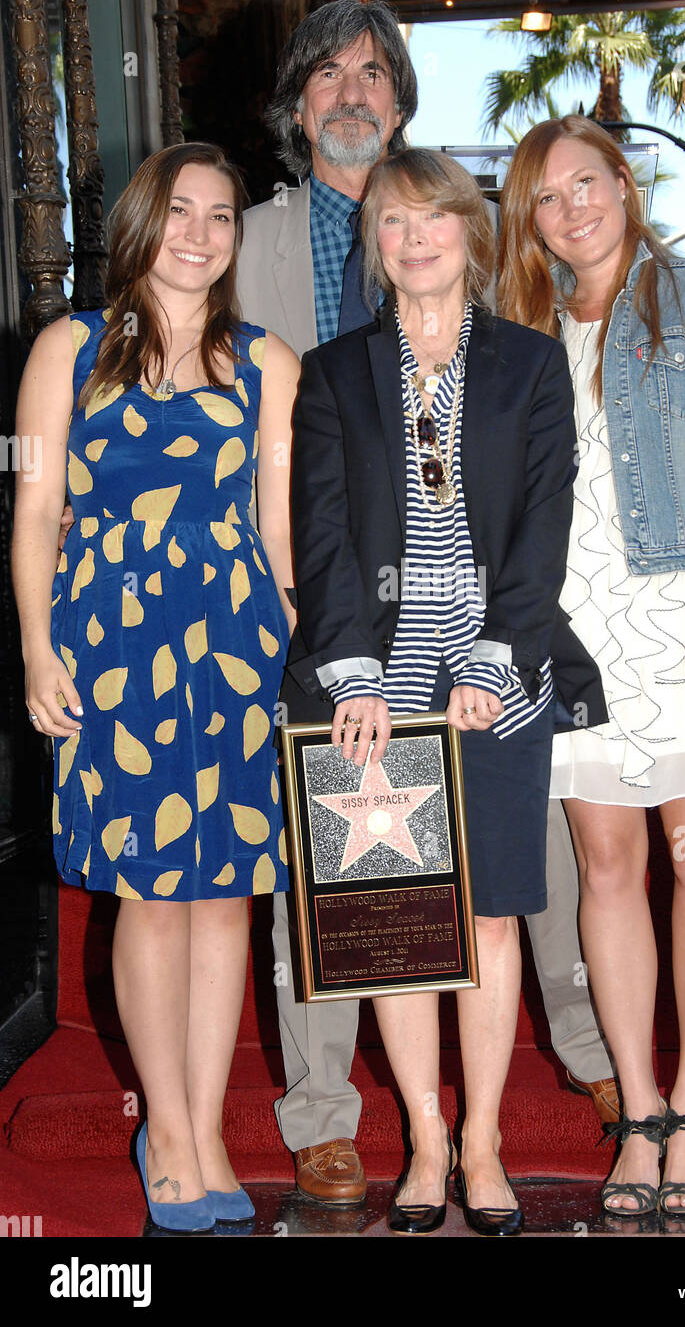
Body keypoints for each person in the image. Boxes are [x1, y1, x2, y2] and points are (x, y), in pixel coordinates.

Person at [236, 0, 616, 1208]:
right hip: (376, 676)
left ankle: (491, 1140)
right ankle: (425, 1140)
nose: (412, 238)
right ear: (377, 244)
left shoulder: (527, 362)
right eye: (390, 224)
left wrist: (495, 658)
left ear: (465, 226)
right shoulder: (337, 373)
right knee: (396, 921)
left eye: (430, 217)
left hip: (494, 674)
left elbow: (539, 530)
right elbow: (326, 533)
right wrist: (348, 673)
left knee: (494, 918)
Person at [498, 115, 685, 1217]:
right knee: (607, 871)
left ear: (622, 183)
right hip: (572, 637)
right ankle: (636, 1116)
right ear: (523, 218)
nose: (569, 206)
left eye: (585, 181)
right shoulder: (520, 327)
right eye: (543, 193)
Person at [12, 142, 298, 1231]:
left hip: (231, 644)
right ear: (143, 221)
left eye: (221, 216)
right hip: (111, 648)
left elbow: (278, 535)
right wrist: (39, 649)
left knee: (223, 888)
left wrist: (298, 652)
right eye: (180, 211)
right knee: (147, 887)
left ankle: (210, 1125)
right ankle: (166, 1131)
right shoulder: (68, 350)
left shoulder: (269, 361)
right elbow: (36, 513)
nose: (200, 233)